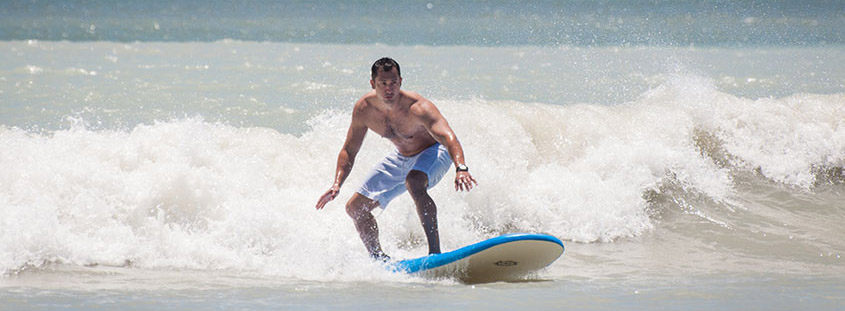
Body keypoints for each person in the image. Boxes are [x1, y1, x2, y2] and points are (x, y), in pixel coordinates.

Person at [315, 57, 477, 260]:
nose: (389, 89)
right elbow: (349, 149)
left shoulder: (418, 107)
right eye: (383, 84)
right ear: (373, 84)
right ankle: (379, 260)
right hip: (402, 157)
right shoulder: (364, 109)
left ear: (400, 81)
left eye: (393, 83)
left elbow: (448, 136)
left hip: (435, 151)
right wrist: (337, 183)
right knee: (355, 208)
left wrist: (461, 167)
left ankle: (435, 254)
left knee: (414, 181)